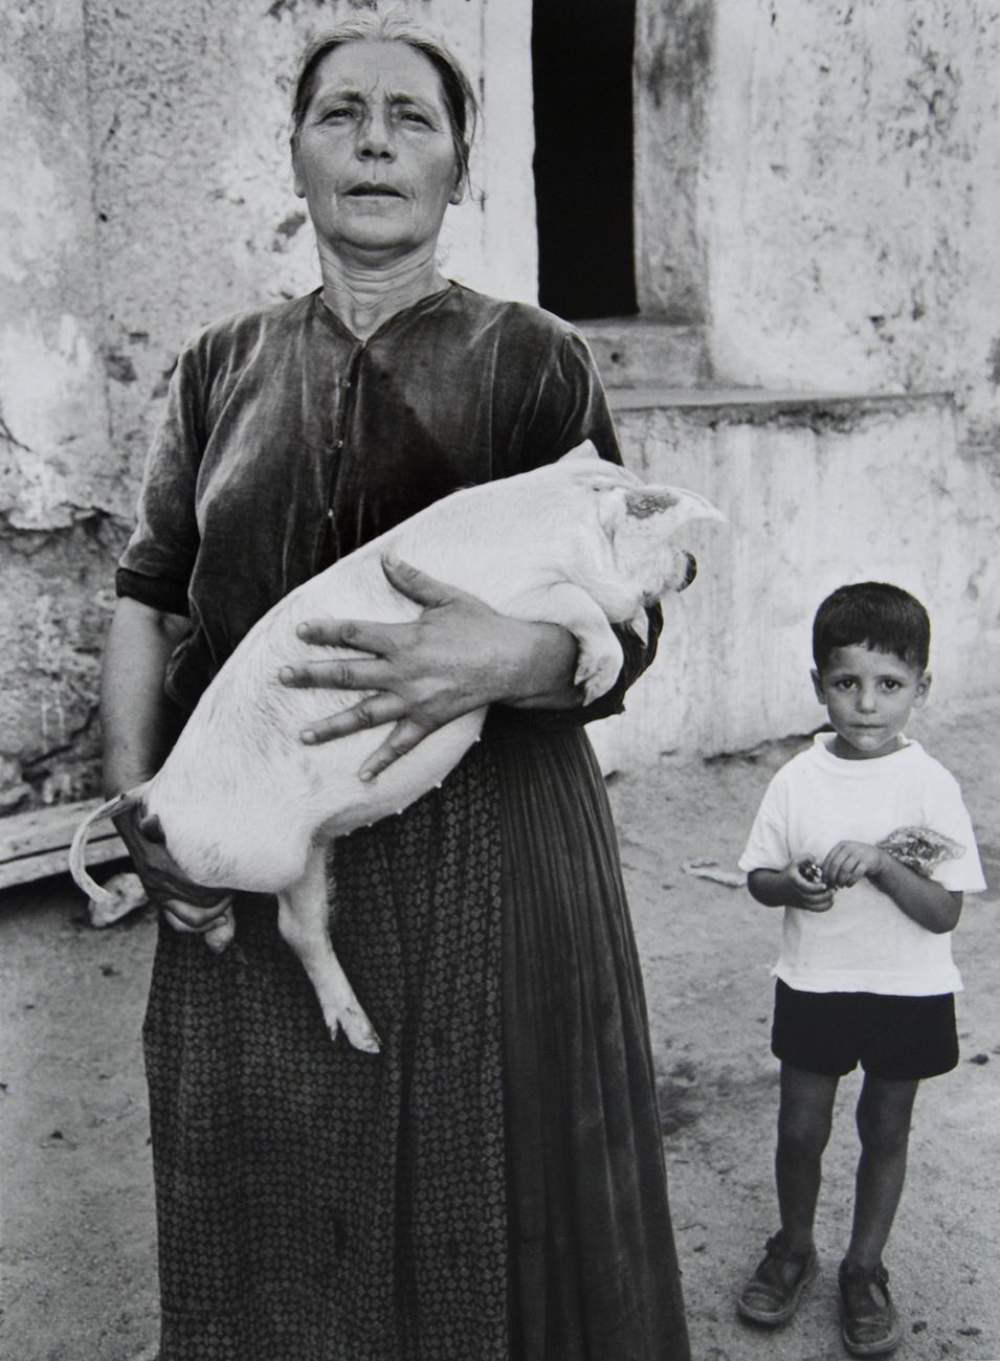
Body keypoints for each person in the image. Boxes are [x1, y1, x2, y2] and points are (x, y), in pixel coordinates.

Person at [100, 15, 691, 1361]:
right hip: (255, 811)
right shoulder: (219, 366)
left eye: (411, 118)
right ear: (296, 156)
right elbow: (147, 595)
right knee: (268, 1182)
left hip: (489, 835)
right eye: (341, 114)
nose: (374, 142)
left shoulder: (534, 358)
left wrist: (506, 658)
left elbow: (636, 603)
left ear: (460, 171)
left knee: (487, 1184)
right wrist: (144, 808)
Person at [735, 582, 986, 1358]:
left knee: (885, 1126)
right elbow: (758, 877)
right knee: (800, 1128)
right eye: (847, 682)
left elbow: (944, 912)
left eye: (890, 684)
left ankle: (864, 1267)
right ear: (819, 684)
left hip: (906, 989)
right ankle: (793, 1247)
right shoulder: (797, 779)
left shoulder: (930, 784)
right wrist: (792, 886)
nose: (868, 704)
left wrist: (881, 863)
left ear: (921, 687)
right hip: (816, 980)